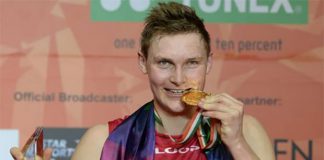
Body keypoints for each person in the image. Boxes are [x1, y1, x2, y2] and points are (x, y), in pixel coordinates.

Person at [12, 2, 274, 160]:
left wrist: (237, 144)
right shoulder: (106, 140)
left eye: (192, 63)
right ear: (142, 63)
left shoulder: (245, 131)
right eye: (164, 63)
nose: (179, 78)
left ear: (209, 63)